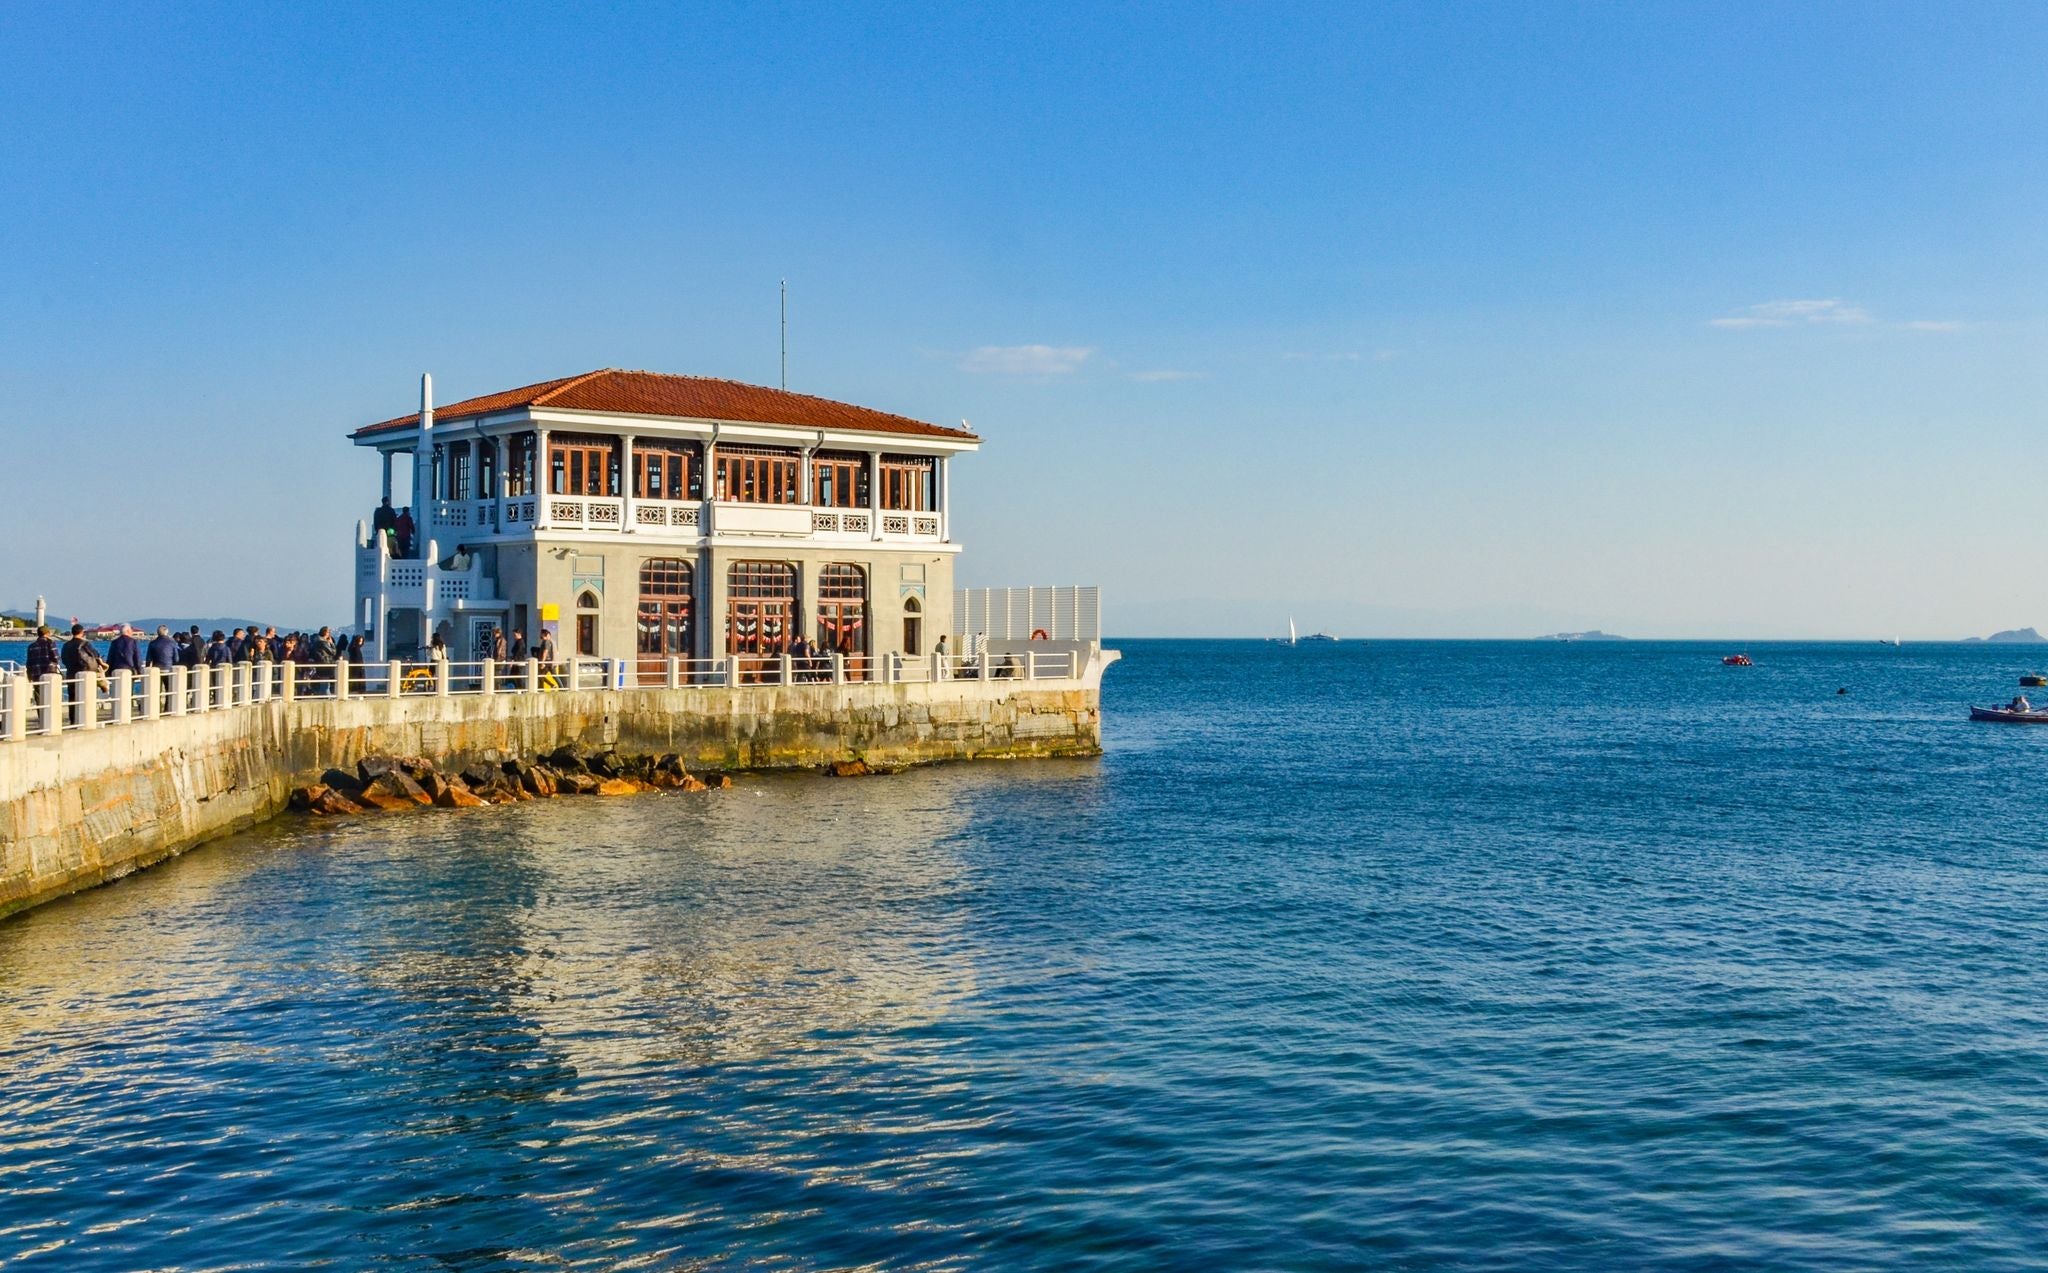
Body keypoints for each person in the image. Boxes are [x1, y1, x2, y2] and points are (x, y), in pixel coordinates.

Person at [60, 624, 107, 724]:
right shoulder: (84, 644)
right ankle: (85, 719)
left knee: (72, 699)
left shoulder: (66, 645)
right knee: (86, 697)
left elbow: (63, 659)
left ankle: (73, 720)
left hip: (71, 674)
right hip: (85, 674)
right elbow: (95, 654)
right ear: (82, 632)